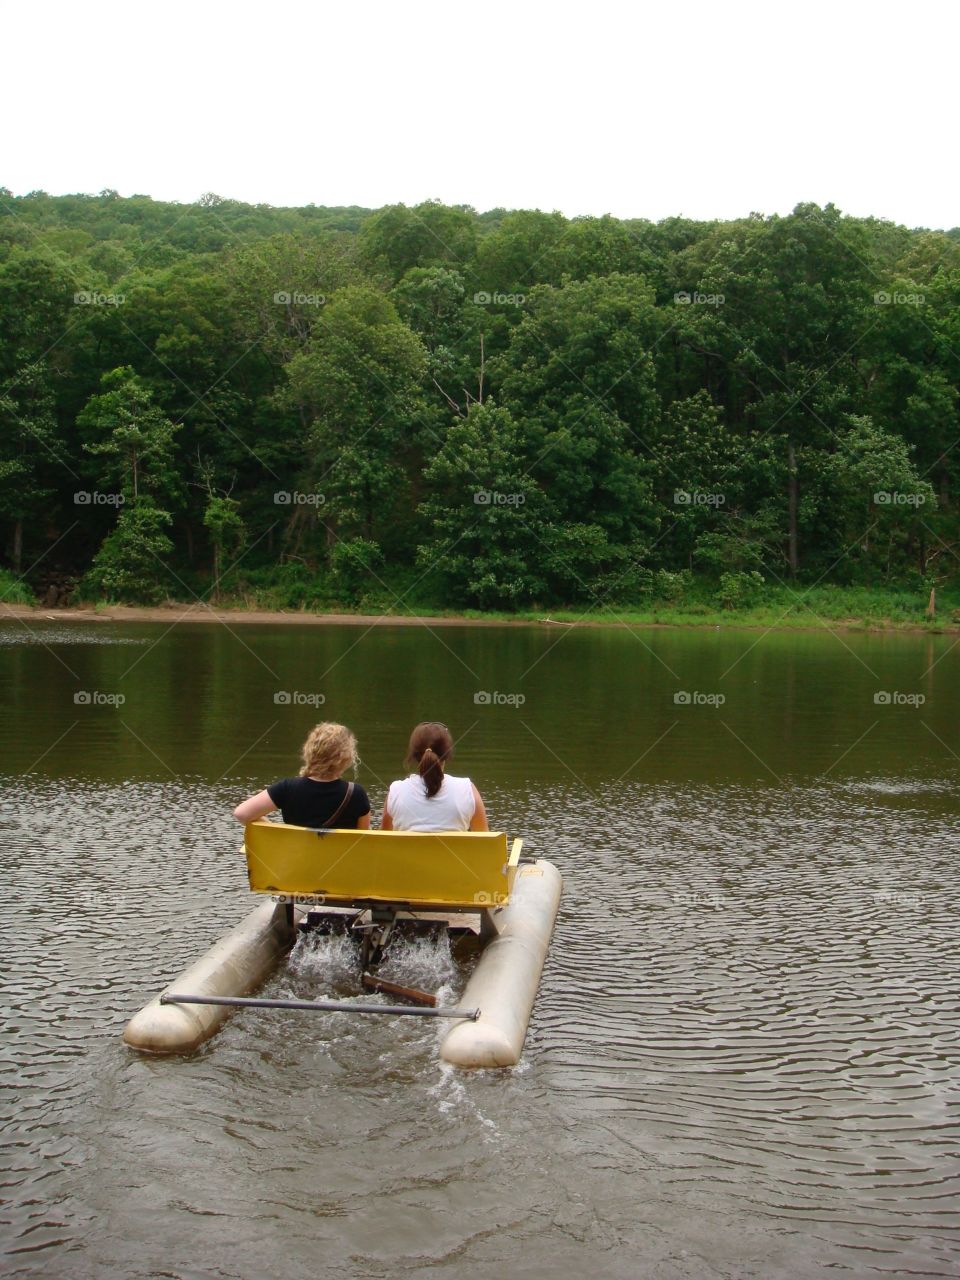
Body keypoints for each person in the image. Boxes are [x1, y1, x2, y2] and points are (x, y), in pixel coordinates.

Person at [233, 722, 371, 829]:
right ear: (345, 758)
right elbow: (362, 841)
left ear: (310, 751)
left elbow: (241, 814)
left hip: (297, 863)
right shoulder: (356, 794)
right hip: (341, 865)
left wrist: (274, 829)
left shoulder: (287, 788)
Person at [381, 721, 488, 832]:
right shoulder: (467, 790)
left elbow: (382, 842)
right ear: (447, 755)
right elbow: (486, 843)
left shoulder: (396, 791)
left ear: (414, 755)